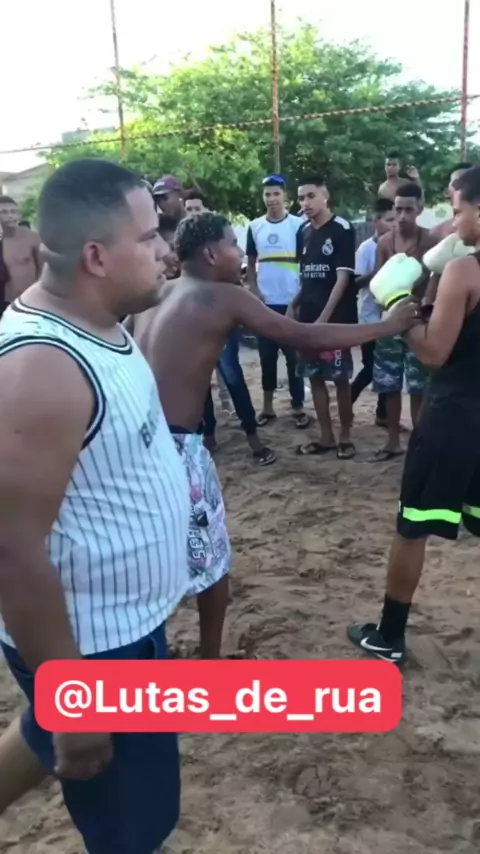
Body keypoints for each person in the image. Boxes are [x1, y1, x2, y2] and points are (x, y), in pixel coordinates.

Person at [0, 211, 420, 820]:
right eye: (230, 247)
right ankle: (211, 661)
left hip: (137, 441)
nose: (239, 256)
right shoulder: (221, 294)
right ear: (211, 255)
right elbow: (301, 336)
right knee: (213, 560)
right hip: (173, 448)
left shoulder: (160, 293)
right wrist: (391, 324)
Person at [0, 158, 191, 854]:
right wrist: (74, 701)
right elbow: (11, 549)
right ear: (96, 257)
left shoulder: (100, 321)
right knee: (133, 830)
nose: (165, 249)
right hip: (92, 647)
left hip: (119, 626)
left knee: (42, 737)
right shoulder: (42, 369)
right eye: (150, 236)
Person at [348, 164, 480, 666]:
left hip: (454, 417)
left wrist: (401, 308)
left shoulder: (466, 270)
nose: (455, 221)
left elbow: (433, 354)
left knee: (413, 526)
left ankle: (388, 636)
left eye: (459, 210)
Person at [291, 175, 357, 459]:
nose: (305, 203)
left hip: (335, 321)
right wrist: (294, 306)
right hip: (307, 319)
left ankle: (346, 437)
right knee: (314, 377)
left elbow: (342, 279)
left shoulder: (342, 228)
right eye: (301, 198)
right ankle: (326, 436)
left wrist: (324, 319)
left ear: (325, 195)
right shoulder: (302, 231)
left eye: (311, 196)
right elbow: (305, 277)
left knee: (340, 379)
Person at [371, 183, 438, 460]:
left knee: (419, 387)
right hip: (390, 321)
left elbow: (436, 279)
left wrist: (425, 308)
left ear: (419, 209)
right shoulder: (385, 243)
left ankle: (418, 441)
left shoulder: (431, 241)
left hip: (418, 322)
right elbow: (378, 282)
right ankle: (392, 441)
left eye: (408, 209)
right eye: (398, 209)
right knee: (389, 384)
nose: (402, 216)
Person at [246, 174, 308, 428]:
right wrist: (254, 290)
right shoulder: (255, 227)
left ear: (285, 196)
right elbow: (251, 262)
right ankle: (268, 407)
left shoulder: (298, 225)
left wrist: (299, 297)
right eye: (267, 194)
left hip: (292, 301)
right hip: (265, 303)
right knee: (267, 357)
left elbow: (306, 262)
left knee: (294, 358)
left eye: (276, 194)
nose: (272, 199)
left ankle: (298, 406)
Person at [351, 198, 395, 425]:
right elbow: (355, 282)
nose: (394, 224)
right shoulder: (366, 249)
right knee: (370, 368)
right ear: (376, 221)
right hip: (369, 317)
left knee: (388, 368)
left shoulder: (397, 245)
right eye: (389, 219)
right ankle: (348, 400)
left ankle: (382, 413)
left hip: (391, 317)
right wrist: (376, 273)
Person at [0, 195, 41, 310]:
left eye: (13, 212)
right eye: (4, 212)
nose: (10, 216)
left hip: (31, 299)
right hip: (6, 302)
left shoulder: (31, 237)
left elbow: (45, 268)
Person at [430, 162, 474, 242]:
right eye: (458, 184)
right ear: (447, 192)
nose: (464, 189)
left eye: (470, 183)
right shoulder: (437, 234)